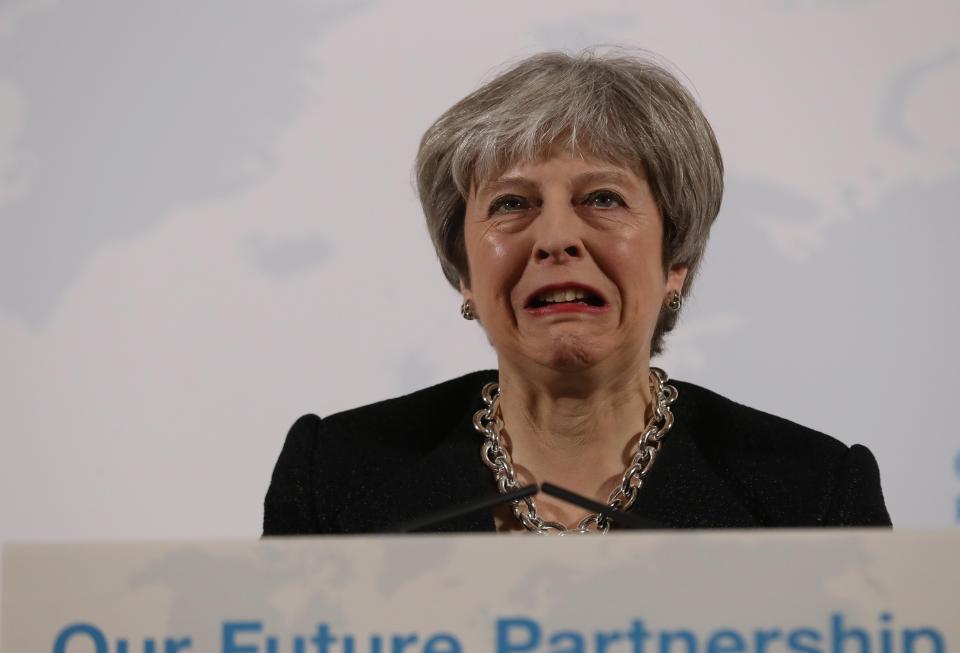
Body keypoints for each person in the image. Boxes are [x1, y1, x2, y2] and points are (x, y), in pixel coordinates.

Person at [263, 49, 891, 535]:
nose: (555, 237)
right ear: (462, 272)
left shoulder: (813, 492)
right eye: (512, 204)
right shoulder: (336, 475)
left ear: (676, 260)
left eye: (603, 199)